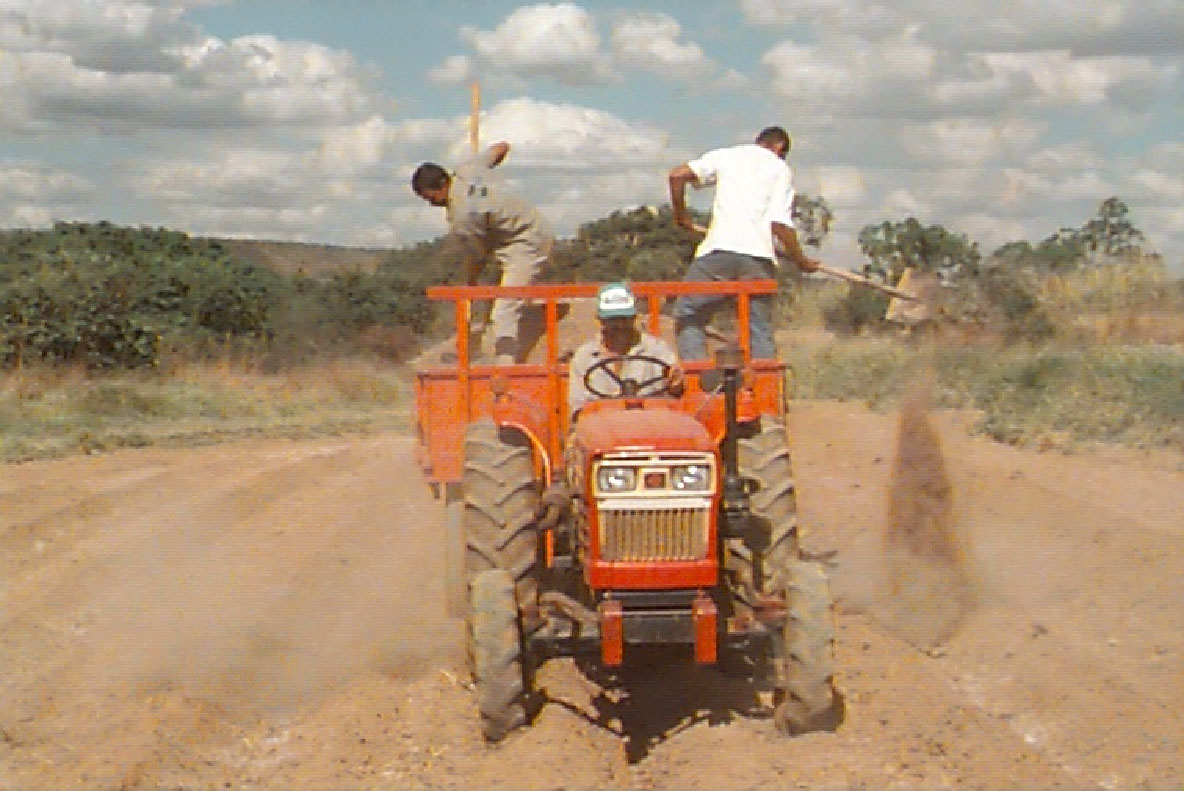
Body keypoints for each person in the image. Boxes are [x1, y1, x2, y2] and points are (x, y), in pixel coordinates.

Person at [668, 125, 820, 362]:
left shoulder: (727, 156)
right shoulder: (780, 169)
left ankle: (694, 381)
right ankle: (763, 389)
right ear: (779, 147)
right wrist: (802, 261)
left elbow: (677, 175)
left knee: (690, 314)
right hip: (757, 258)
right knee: (758, 325)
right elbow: (779, 224)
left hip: (717, 252)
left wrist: (681, 217)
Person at [412, 141, 552, 364]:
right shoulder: (468, 169)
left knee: (505, 308)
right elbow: (501, 148)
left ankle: (504, 367)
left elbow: (478, 257)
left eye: (431, 198)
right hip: (504, 237)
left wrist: (470, 282)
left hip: (526, 241)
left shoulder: (464, 215)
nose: (431, 204)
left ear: (442, 185)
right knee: (484, 298)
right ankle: (471, 347)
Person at [567, 282, 684, 421]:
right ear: (600, 320)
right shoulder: (584, 357)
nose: (620, 326)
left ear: (634, 318)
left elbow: (675, 396)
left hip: (650, 425)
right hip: (602, 428)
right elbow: (579, 410)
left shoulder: (657, 349)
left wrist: (675, 384)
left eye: (624, 319)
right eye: (613, 320)